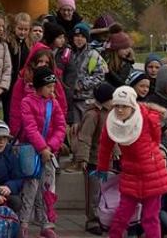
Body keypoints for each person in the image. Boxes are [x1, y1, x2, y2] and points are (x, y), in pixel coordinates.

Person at [96, 86, 167, 238]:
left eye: (124, 106)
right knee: (122, 215)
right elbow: (105, 146)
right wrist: (102, 168)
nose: (119, 110)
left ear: (132, 106)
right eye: (117, 105)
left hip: (152, 174)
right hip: (130, 174)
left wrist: (151, 155)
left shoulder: (148, 118)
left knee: (150, 217)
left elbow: (156, 140)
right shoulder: (112, 122)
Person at [18, 67, 67, 238]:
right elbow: (30, 128)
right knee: (30, 188)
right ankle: (24, 222)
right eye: (49, 86)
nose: (52, 90)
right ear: (39, 86)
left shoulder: (54, 103)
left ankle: (46, 223)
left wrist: (50, 147)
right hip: (32, 151)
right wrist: (42, 148)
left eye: (53, 86)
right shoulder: (27, 102)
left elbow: (60, 127)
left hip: (49, 153)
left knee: (46, 189)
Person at [73, 83, 115, 234]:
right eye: (111, 98)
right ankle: (92, 220)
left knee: (103, 192)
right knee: (93, 193)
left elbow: (113, 136)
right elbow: (85, 137)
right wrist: (83, 158)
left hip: (106, 159)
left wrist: (116, 152)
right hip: (93, 160)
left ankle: (102, 217)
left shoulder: (110, 113)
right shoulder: (93, 115)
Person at [7, 43, 68, 140]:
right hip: (27, 135)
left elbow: (62, 108)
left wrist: (57, 137)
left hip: (49, 134)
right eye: (40, 61)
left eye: (46, 62)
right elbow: (15, 111)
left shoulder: (54, 82)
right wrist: (15, 133)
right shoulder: (23, 82)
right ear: (33, 62)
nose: (43, 65)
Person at [60, 22, 107, 128]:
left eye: (82, 37)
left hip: (85, 100)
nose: (79, 39)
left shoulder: (93, 54)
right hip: (69, 99)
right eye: (77, 36)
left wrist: (82, 85)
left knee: (83, 129)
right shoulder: (68, 53)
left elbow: (100, 76)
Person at [3, 12, 32, 122]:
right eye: (20, 29)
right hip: (9, 81)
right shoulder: (8, 42)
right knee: (9, 110)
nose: (22, 32)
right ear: (15, 27)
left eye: (26, 29)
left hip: (23, 82)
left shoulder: (29, 44)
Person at [101, 24, 135, 89]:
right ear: (116, 49)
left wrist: (109, 70)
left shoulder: (126, 63)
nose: (127, 50)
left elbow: (122, 82)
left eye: (128, 48)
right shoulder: (105, 59)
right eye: (124, 48)